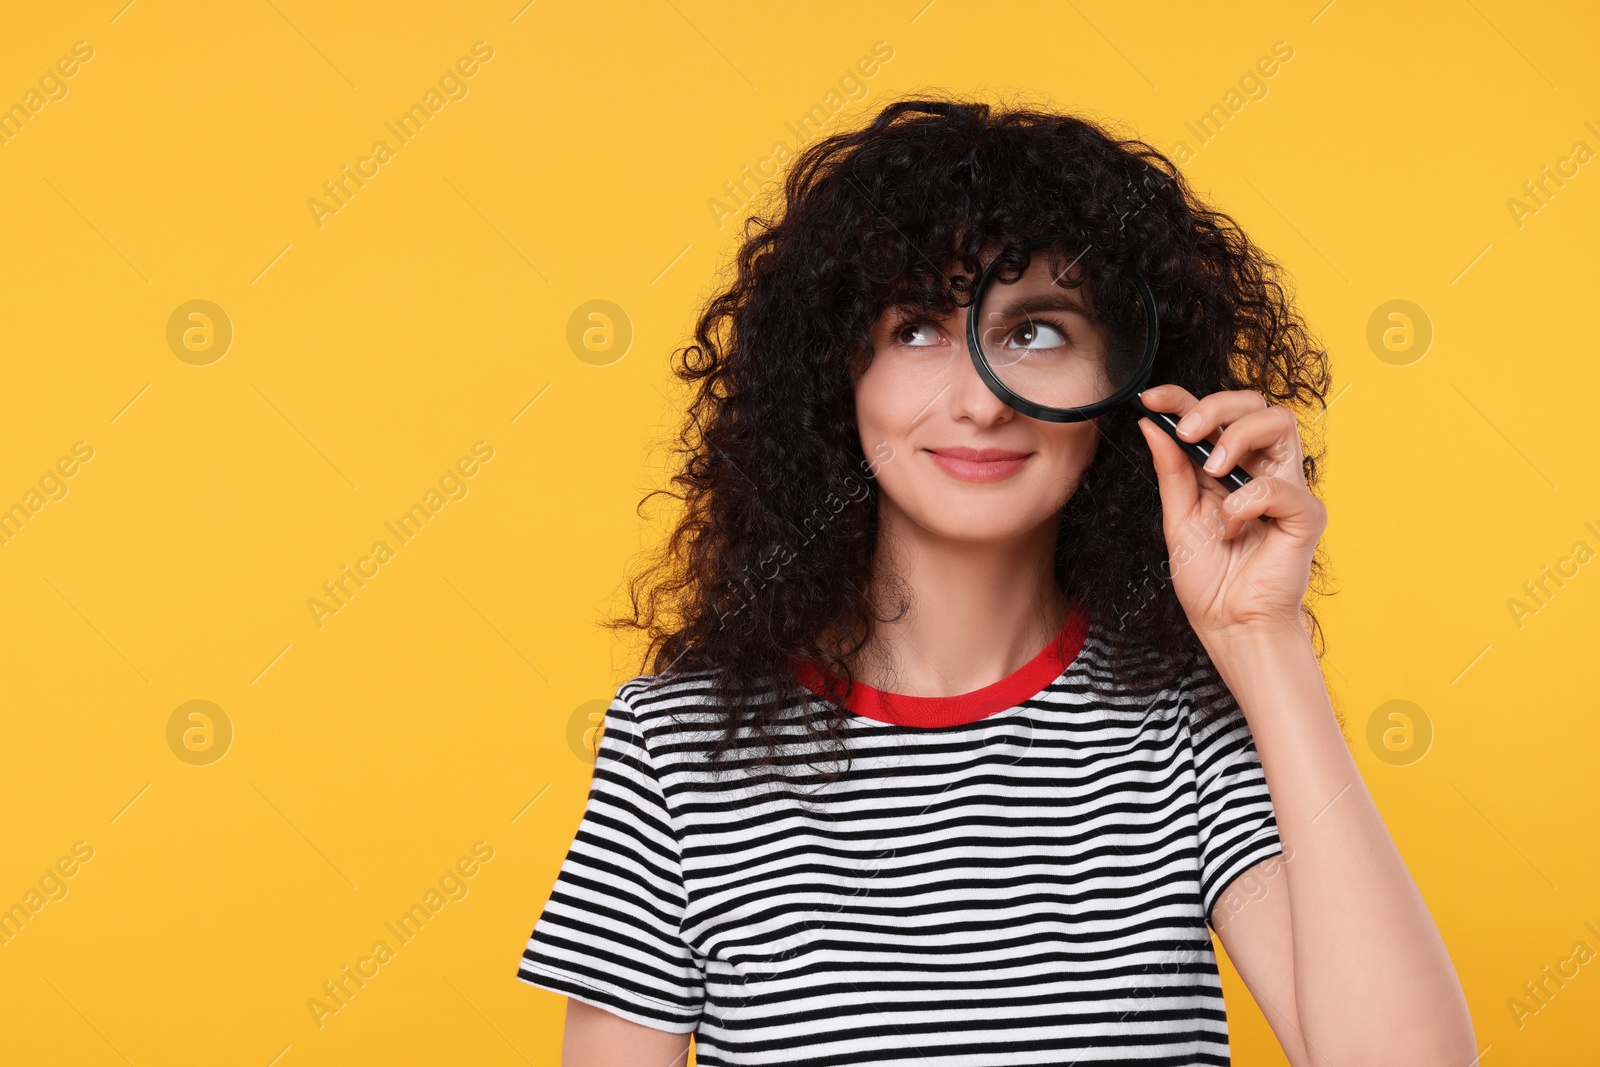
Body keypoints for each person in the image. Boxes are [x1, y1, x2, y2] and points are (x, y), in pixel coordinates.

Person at [515, 97, 1477, 1065]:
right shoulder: (676, 746)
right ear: (834, 374)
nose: (978, 403)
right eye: (917, 330)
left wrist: (1261, 641)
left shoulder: (1185, 724)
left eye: (1036, 333)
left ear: (1124, 378)